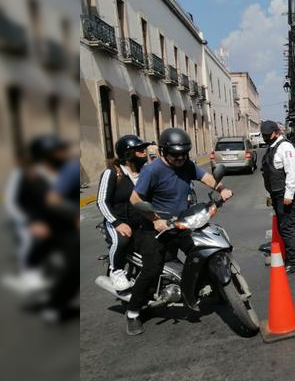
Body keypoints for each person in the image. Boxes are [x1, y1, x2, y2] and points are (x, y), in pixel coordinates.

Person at [125, 128, 233, 336]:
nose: (180, 158)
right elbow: (135, 200)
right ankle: (132, 313)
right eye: (176, 154)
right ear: (164, 152)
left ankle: (215, 287)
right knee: (152, 269)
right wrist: (156, 220)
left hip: (183, 222)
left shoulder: (186, 164)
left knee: (203, 251)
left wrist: (221, 189)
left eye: (184, 153)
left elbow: (206, 177)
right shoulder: (152, 170)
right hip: (155, 228)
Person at [3, 135, 77, 321]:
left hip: (62, 224)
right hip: (35, 223)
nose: (61, 153)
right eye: (56, 151)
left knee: (73, 264)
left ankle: (56, 302)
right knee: (31, 242)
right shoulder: (25, 174)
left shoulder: (65, 172)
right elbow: (13, 202)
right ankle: (27, 271)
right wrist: (31, 222)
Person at [96, 135, 151, 291]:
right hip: (117, 220)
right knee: (122, 240)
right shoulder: (113, 173)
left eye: (143, 150)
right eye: (139, 151)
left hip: (140, 220)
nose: (143, 153)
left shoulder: (145, 172)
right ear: (128, 154)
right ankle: (116, 270)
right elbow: (101, 201)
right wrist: (117, 223)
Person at [260, 120, 295, 274]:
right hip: (277, 194)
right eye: (263, 135)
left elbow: (292, 172)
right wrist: (269, 194)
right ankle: (289, 258)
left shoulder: (285, 147)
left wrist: (289, 195)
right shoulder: (271, 147)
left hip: (285, 194)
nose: (265, 138)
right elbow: (269, 174)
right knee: (282, 227)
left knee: (287, 227)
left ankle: (294, 263)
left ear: (275, 132)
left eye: (267, 135)